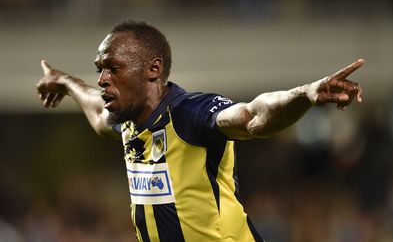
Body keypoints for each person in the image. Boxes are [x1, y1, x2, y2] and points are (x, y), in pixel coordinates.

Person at [36, 20, 364, 242]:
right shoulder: (126, 119)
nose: (103, 79)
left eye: (113, 68)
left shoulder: (191, 114)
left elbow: (253, 115)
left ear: (153, 69)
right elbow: (96, 111)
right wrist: (64, 82)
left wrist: (305, 94)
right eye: (100, 70)